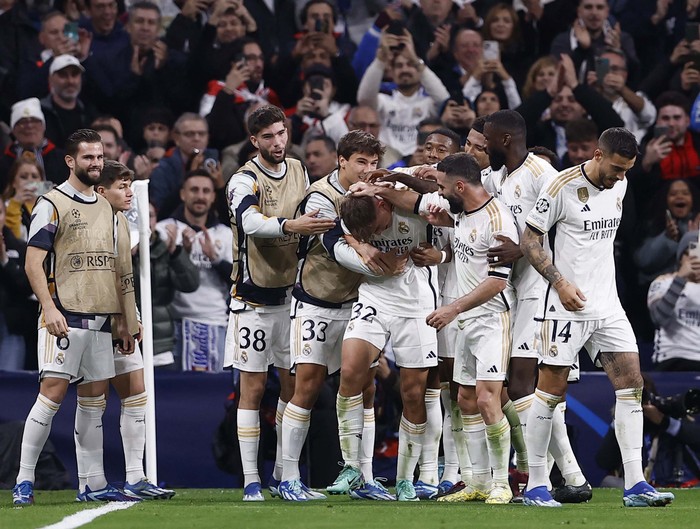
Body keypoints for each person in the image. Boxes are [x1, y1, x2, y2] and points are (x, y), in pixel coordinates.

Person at [519, 127, 675, 508]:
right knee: (551, 391)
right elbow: (529, 240)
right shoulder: (560, 186)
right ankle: (536, 485)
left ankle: (636, 483)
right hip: (566, 305)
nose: (619, 178)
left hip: (608, 306)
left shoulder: (619, 186)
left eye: (626, 171)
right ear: (597, 154)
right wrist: (559, 282)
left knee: (632, 385)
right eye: (616, 169)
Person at [12, 129, 136, 505]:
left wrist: (122, 320)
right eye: (88, 158)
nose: (96, 164)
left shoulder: (107, 208)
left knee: (93, 404)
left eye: (100, 157)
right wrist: (48, 308)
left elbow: (116, 269)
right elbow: (33, 263)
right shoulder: (51, 203)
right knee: (49, 399)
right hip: (63, 316)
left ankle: (93, 483)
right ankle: (23, 480)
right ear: (70, 161)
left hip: (100, 320)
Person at [223, 105, 335, 501]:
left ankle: (286, 475)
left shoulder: (300, 170)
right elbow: (248, 223)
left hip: (292, 298)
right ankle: (251, 479)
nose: (277, 142)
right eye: (268, 136)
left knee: (294, 387)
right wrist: (292, 226)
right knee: (252, 388)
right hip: (252, 300)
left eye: (281, 133)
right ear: (254, 140)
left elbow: (313, 210)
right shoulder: (243, 179)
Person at [482, 110, 591, 503]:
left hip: (543, 291)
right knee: (527, 388)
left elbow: (568, 224)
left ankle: (544, 479)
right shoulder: (497, 177)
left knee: (526, 383)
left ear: (506, 139)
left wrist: (524, 248)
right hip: (513, 293)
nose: (484, 147)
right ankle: (573, 477)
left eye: (488, 140)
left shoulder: (542, 173)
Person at [279, 130, 393, 502]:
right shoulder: (320, 196)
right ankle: (289, 478)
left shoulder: (378, 191)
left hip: (359, 305)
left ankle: (365, 475)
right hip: (316, 303)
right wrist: (380, 265)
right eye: (361, 162)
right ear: (341, 160)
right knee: (308, 388)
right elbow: (334, 245)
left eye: (374, 163)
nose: (368, 170)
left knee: (367, 388)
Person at [75, 160, 174, 499]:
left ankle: (136, 478)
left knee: (135, 391)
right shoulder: (87, 226)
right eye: (122, 186)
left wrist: (131, 318)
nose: (130, 192)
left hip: (120, 323)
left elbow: (124, 278)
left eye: (131, 184)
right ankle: (90, 482)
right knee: (91, 400)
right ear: (101, 191)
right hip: (90, 322)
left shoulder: (121, 222)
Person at [334, 188, 438, 502]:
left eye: (376, 226)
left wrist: (439, 255)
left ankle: (405, 479)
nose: (375, 233)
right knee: (350, 371)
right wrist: (358, 242)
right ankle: (351, 465)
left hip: (416, 305)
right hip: (374, 297)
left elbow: (447, 206)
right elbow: (336, 228)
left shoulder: (412, 204)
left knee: (412, 392)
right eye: (366, 231)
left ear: (383, 203)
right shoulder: (355, 208)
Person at [156, 169, 233, 372]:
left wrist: (215, 259)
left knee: (210, 396)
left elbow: (239, 281)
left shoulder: (227, 235)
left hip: (215, 320)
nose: (200, 196)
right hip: (174, 323)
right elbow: (154, 281)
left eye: (206, 191)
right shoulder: (165, 231)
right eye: (194, 190)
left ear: (213, 197)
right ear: (183, 194)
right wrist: (177, 255)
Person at [357, 28, 449, 161]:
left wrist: (416, 60)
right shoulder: (383, 101)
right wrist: (381, 60)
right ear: (392, 72)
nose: (405, 69)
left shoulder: (429, 104)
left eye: (410, 64)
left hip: (422, 157)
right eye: (399, 66)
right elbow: (364, 100)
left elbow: (444, 100)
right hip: (387, 161)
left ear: (418, 69)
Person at [133, 202, 199, 369]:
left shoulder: (165, 249)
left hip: (160, 343)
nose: (146, 221)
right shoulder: (118, 248)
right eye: (139, 215)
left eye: (150, 216)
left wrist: (176, 253)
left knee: (166, 393)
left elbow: (190, 284)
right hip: (125, 342)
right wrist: (126, 257)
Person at [647, 231, 700, 371]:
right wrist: (680, 279)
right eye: (691, 254)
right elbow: (659, 318)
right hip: (672, 359)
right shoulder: (663, 282)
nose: (696, 260)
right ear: (681, 258)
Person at [0, 97, 68, 193]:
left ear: (43, 126)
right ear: (13, 129)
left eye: (34, 120)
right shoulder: (3, 162)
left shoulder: (63, 159)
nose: (29, 126)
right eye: (22, 122)